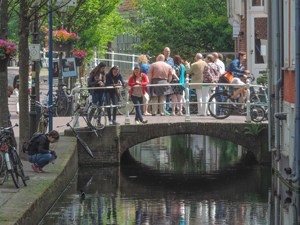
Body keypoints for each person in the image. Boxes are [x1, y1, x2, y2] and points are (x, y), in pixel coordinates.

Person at [88, 62, 106, 127]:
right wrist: (97, 82)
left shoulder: (103, 74)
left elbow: (104, 82)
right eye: (102, 68)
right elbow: (89, 83)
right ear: (99, 67)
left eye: (104, 68)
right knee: (94, 106)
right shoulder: (93, 73)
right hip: (95, 92)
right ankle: (89, 122)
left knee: (100, 108)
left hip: (102, 92)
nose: (103, 69)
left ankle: (99, 122)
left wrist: (103, 84)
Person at [163, 47, 174, 115]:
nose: (168, 53)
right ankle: (163, 109)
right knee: (162, 95)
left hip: (170, 80)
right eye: (166, 51)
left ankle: (166, 109)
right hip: (163, 79)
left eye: (169, 51)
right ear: (164, 52)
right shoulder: (161, 59)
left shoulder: (171, 60)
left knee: (168, 95)